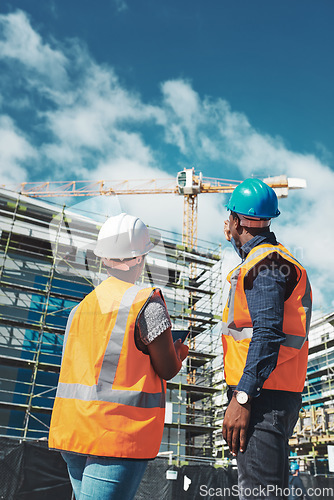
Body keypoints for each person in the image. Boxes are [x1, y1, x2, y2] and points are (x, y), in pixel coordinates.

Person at [49, 212, 188, 500]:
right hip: (114, 434)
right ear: (139, 258)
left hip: (73, 432)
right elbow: (167, 369)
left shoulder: (80, 309)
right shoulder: (145, 303)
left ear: (102, 258)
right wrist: (180, 350)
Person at [221, 179, 312, 499]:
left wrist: (243, 397)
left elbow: (268, 332)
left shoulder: (266, 264)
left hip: (261, 398)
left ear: (234, 221)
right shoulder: (271, 260)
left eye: (229, 219)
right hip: (271, 392)